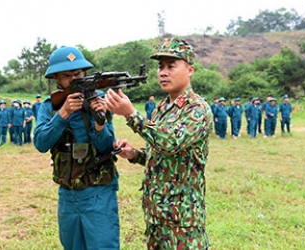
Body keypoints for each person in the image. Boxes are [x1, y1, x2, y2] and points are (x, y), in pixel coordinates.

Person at [106, 37, 212, 249]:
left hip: (183, 221)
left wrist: (131, 115)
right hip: (157, 215)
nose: (163, 72)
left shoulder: (197, 109)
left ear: (190, 70)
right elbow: (162, 154)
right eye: (160, 67)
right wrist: (135, 154)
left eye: (171, 66)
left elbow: (171, 142)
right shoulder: (163, 107)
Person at [34, 46, 120, 249]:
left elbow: (106, 146)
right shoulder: (51, 106)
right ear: (56, 78)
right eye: (67, 76)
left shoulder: (98, 100)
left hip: (98, 191)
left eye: (78, 74)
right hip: (68, 193)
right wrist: (63, 114)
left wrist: (100, 123)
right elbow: (40, 143)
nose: (74, 80)